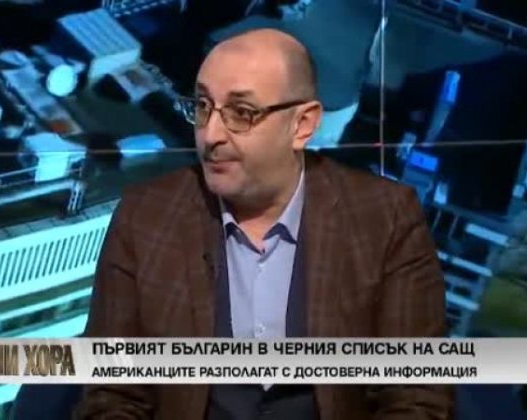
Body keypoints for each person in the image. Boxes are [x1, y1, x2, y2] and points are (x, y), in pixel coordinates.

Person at [74, 28, 453, 419]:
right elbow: (111, 391)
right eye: (202, 106)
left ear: (302, 125)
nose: (210, 135)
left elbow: (416, 394)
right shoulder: (145, 216)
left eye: (242, 113)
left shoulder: (386, 219)